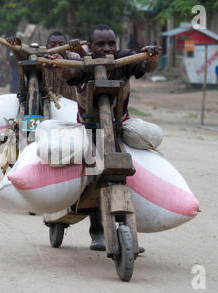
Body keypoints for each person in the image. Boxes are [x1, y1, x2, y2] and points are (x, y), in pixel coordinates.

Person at [47, 24, 161, 251]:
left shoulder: (124, 58)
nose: (107, 48)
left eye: (111, 43)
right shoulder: (82, 61)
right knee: (94, 172)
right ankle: (97, 230)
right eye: (100, 44)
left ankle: (127, 227)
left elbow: (146, 66)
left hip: (120, 125)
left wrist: (151, 56)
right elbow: (70, 73)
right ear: (90, 46)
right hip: (89, 128)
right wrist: (61, 66)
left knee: (126, 168)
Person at [6, 31, 86, 101]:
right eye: (53, 44)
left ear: (67, 47)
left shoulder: (73, 57)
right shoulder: (40, 57)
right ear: (47, 46)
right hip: (46, 104)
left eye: (61, 44)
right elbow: (23, 59)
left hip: (70, 104)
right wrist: (15, 46)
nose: (57, 47)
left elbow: (89, 65)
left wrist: (80, 49)